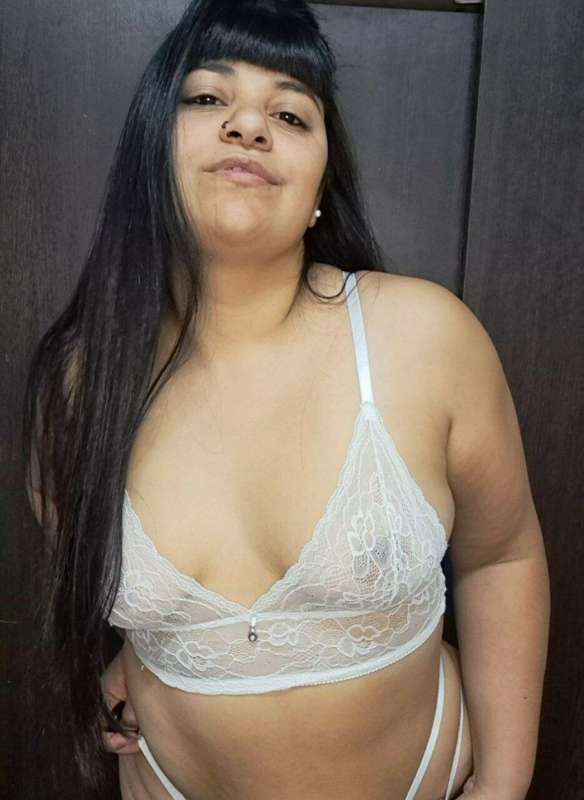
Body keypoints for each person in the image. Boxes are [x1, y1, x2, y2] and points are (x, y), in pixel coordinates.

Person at [24, 1, 550, 798]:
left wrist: (506, 785)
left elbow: (502, 556)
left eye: (290, 113)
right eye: (208, 98)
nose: (248, 125)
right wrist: (146, 647)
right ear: (149, 151)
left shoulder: (424, 337)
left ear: (319, 186)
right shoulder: (74, 383)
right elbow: (92, 571)